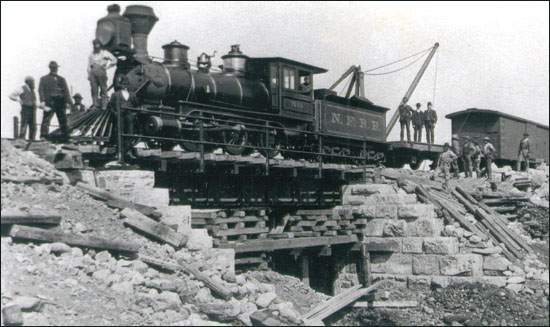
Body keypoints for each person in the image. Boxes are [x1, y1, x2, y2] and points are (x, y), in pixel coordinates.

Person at [39, 61, 72, 141]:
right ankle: (43, 136)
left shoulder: (61, 79)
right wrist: (42, 100)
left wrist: (69, 102)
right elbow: (40, 90)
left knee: (63, 119)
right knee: (46, 119)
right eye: (53, 67)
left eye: (55, 68)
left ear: (57, 68)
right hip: (50, 102)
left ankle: (65, 136)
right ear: (50, 68)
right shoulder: (44, 79)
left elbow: (66, 91)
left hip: (60, 102)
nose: (54, 69)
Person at [88, 39, 117, 109]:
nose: (96, 46)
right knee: (94, 89)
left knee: (103, 88)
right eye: (94, 44)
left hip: (101, 71)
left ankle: (104, 105)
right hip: (93, 72)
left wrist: (107, 67)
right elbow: (89, 65)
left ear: (100, 45)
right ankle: (95, 104)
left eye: (97, 44)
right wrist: (89, 74)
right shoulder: (91, 55)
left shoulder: (105, 53)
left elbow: (114, 60)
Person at [9, 76, 37, 140]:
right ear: (28, 82)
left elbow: (34, 101)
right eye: (33, 81)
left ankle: (32, 140)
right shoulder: (22, 88)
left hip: (32, 109)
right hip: (25, 109)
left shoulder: (32, 91)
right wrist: (19, 100)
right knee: (24, 124)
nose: (34, 83)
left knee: (33, 126)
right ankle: (21, 139)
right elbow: (11, 95)